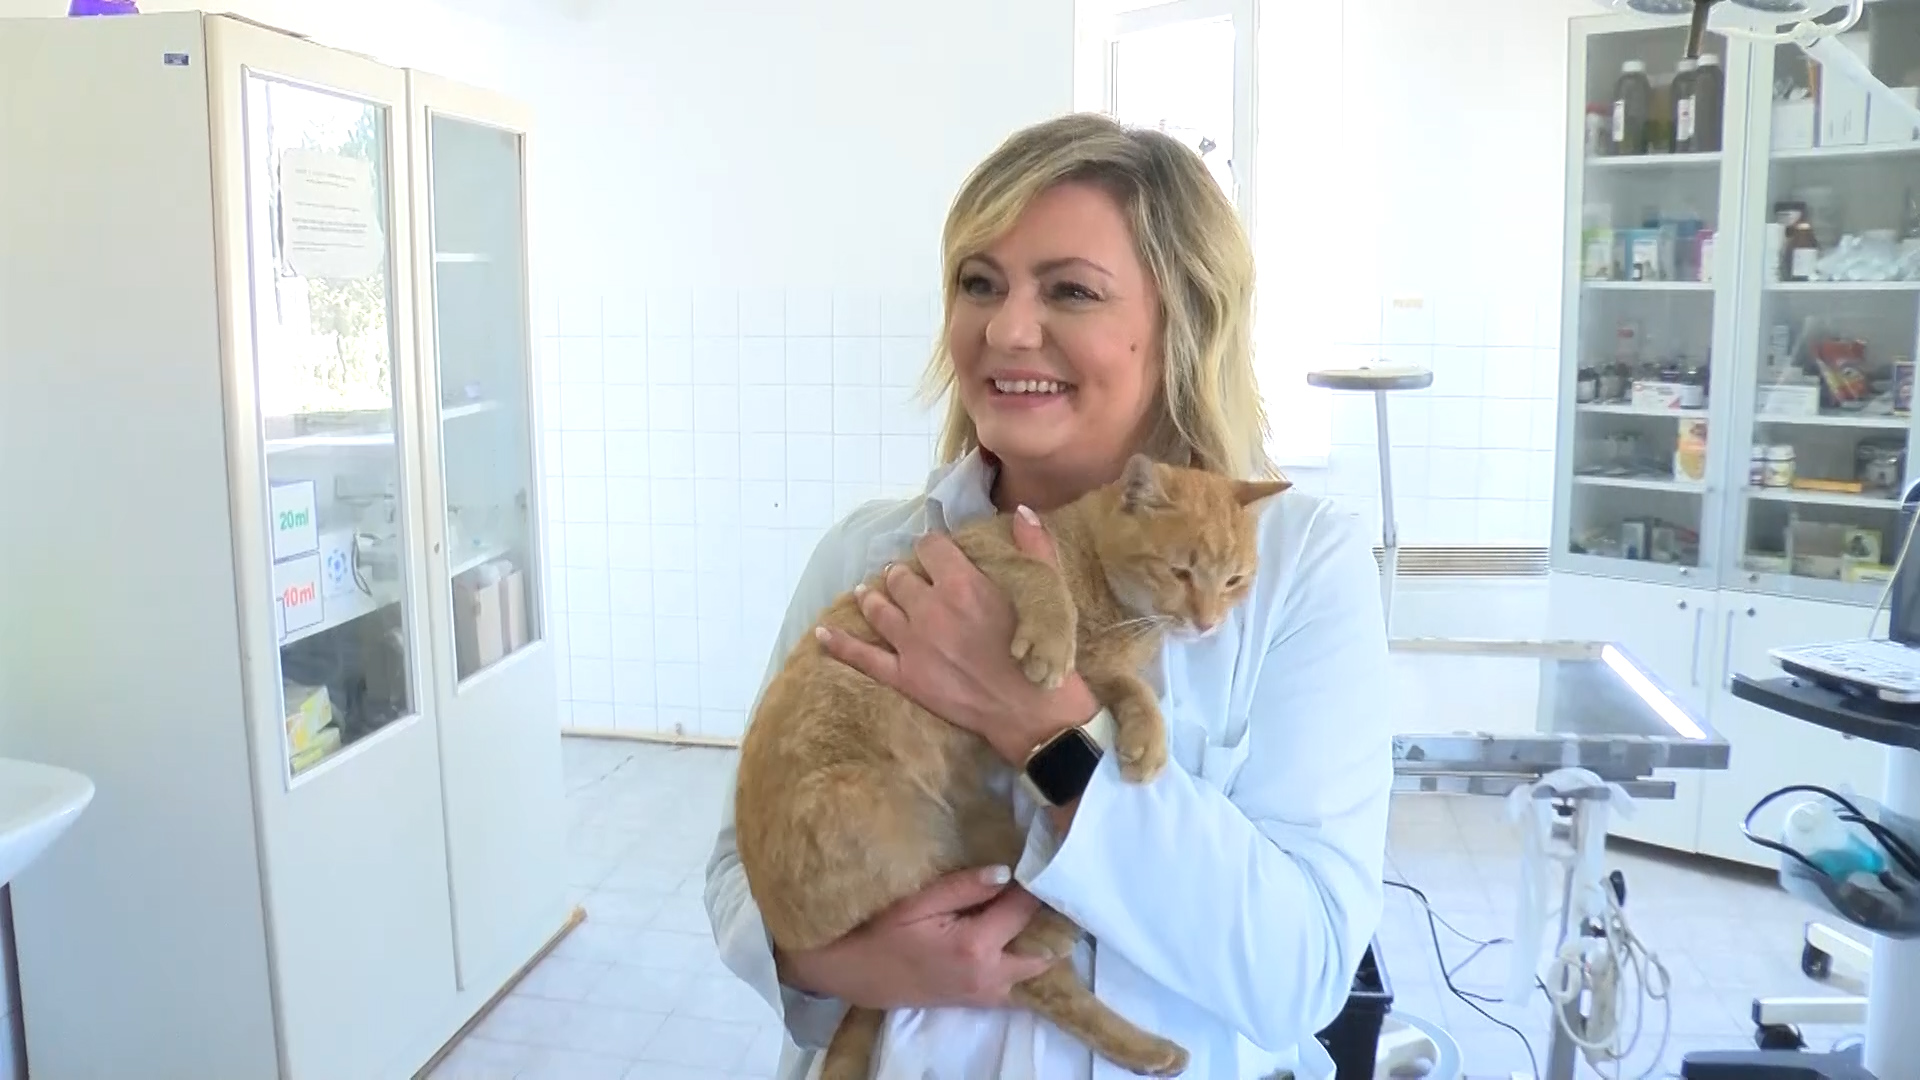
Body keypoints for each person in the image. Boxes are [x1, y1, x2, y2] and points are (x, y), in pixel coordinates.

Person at [703, 112, 1393, 1080]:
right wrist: (835, 963)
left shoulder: (1298, 565)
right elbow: (738, 870)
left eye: (1071, 290)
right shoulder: (872, 555)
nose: (1006, 330)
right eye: (978, 283)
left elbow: (1303, 974)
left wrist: (1045, 728)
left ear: (1185, 321)